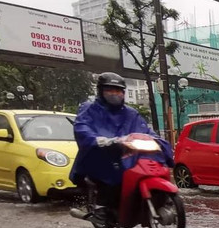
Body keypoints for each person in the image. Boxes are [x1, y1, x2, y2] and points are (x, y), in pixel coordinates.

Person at [70, 72, 172, 218]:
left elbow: (145, 130)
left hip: (128, 154)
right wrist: (102, 140)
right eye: (110, 90)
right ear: (101, 91)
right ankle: (104, 208)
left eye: (118, 91)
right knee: (111, 174)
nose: (114, 94)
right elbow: (82, 128)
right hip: (102, 154)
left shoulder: (130, 113)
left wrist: (157, 141)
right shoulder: (89, 108)